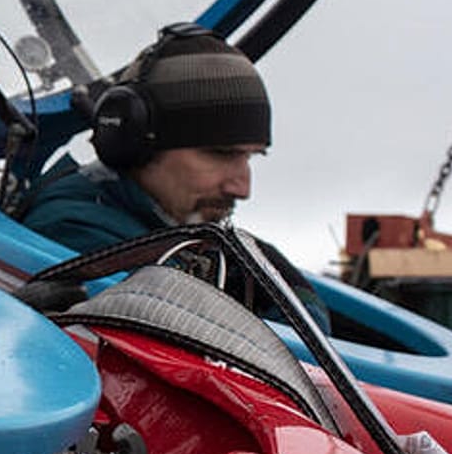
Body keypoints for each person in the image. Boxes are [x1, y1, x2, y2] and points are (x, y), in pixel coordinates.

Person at [18, 23, 330, 328]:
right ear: (133, 143)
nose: (242, 187)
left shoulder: (165, 229)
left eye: (250, 156)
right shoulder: (79, 235)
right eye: (221, 154)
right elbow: (244, 350)